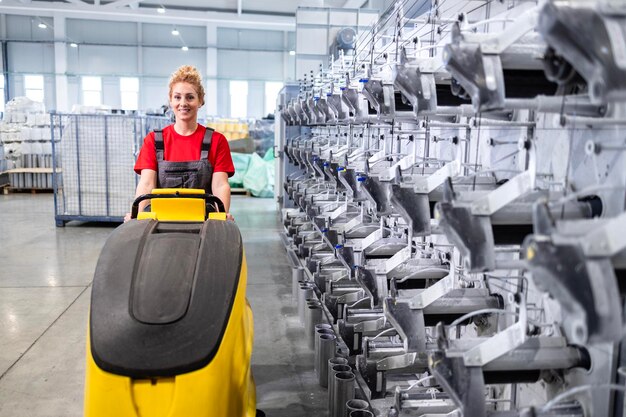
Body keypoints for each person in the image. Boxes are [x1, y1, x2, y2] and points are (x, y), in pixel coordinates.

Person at [126, 65, 234, 221]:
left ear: (200, 101)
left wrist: (220, 217)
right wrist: (138, 217)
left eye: (190, 97)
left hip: (203, 221)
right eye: (177, 97)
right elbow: (147, 183)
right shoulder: (154, 141)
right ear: (170, 100)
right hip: (161, 221)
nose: (183, 103)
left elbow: (220, 185)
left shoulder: (216, 141)